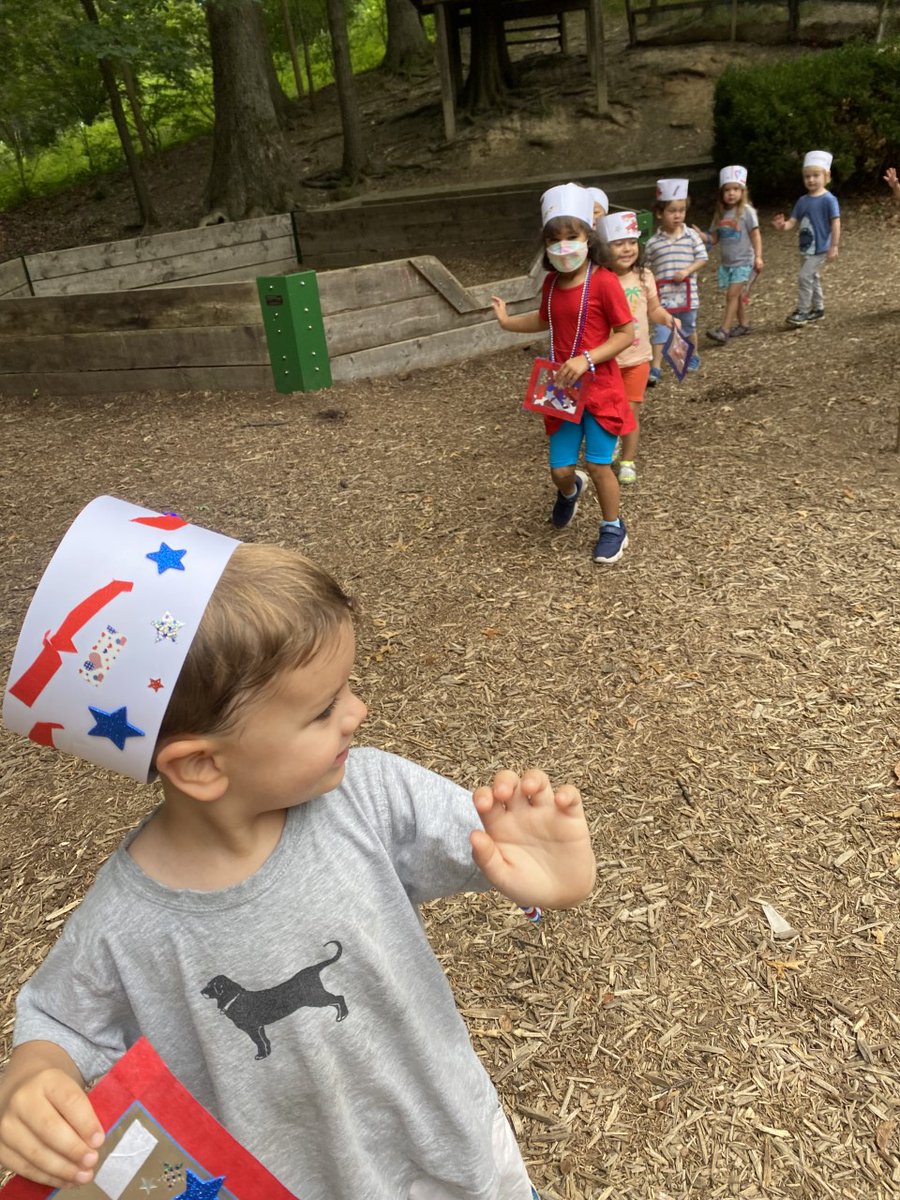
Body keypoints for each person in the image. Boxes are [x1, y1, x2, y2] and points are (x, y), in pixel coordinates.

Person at [0, 496, 597, 1200]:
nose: (358, 712)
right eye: (323, 709)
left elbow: (486, 846)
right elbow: (62, 1022)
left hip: (455, 1157)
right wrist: (34, 1074)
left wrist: (551, 875)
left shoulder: (367, 796)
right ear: (200, 766)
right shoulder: (125, 923)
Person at [492, 183, 634, 565]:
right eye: (555, 239)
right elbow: (544, 319)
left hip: (600, 388)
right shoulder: (552, 283)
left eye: (572, 237)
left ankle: (612, 526)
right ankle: (570, 492)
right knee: (560, 470)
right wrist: (507, 322)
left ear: (588, 236)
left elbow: (626, 334)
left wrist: (587, 359)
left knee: (599, 464)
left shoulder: (604, 281)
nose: (564, 246)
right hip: (562, 391)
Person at [599, 210, 679, 485]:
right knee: (607, 410)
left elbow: (654, 310)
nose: (627, 249)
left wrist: (668, 318)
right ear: (604, 247)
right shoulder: (599, 279)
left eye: (631, 242)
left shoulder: (644, 276)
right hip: (606, 360)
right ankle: (610, 446)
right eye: (618, 243)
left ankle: (628, 460)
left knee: (630, 409)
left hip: (637, 359)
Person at [644, 178, 707, 385]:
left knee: (688, 326)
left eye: (682, 210)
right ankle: (656, 368)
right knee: (661, 329)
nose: (678, 215)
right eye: (672, 211)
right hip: (663, 297)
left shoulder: (691, 236)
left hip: (688, 294)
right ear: (660, 213)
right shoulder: (654, 243)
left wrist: (687, 270)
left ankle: (693, 355)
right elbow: (645, 266)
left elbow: (702, 257)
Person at [693, 165, 764, 344]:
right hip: (728, 263)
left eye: (735, 189)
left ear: (742, 191)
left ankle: (724, 330)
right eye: (727, 190)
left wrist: (758, 256)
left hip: (744, 261)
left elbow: (755, 235)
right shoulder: (721, 214)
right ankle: (744, 324)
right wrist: (703, 236)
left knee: (731, 295)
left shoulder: (747, 211)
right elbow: (715, 237)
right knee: (737, 295)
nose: (731, 193)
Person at [771, 149, 840, 327]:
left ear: (827, 175)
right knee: (812, 276)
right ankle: (818, 308)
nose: (811, 180)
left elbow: (835, 223)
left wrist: (834, 246)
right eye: (807, 176)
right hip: (805, 247)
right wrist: (782, 226)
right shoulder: (802, 201)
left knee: (804, 277)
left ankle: (803, 310)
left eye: (815, 175)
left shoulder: (829, 200)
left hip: (821, 248)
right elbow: (792, 222)